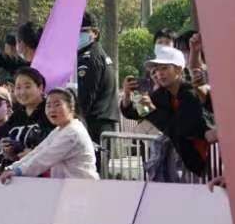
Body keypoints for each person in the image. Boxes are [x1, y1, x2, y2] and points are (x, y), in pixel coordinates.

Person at [124, 44, 214, 179]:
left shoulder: (191, 93)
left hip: (205, 162)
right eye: (156, 70)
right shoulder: (161, 94)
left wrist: (152, 111)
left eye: (165, 68)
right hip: (183, 162)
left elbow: (181, 128)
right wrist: (128, 95)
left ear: (178, 69)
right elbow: (136, 112)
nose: (159, 73)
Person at [0, 88, 98, 181]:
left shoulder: (73, 132)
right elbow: (38, 151)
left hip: (83, 187)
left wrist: (18, 171)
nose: (52, 110)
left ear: (71, 108)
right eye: (48, 105)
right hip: (66, 187)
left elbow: (45, 158)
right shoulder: (59, 130)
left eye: (57, 105)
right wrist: (12, 168)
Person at [74, 12, 120, 162]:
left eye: (82, 31)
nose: (78, 35)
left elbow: (86, 95)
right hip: (101, 123)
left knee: (93, 170)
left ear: (94, 33)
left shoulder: (90, 58)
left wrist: (75, 120)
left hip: (95, 124)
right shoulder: (97, 53)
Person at [4, 67, 50, 158]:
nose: (22, 92)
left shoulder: (51, 112)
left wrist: (35, 154)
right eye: (18, 87)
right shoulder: (15, 116)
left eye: (27, 87)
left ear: (40, 87)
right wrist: (9, 152)